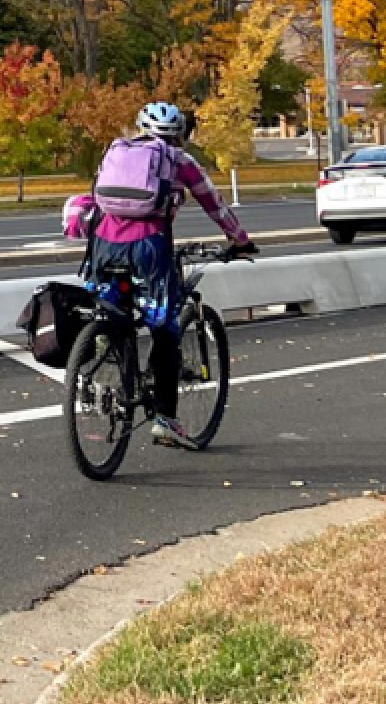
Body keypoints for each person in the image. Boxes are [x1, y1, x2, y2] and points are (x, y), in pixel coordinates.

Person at [62, 101, 255, 449]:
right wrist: (239, 240)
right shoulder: (179, 160)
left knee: (114, 310)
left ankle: (108, 349)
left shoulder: (117, 151)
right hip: (150, 249)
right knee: (164, 328)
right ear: (179, 132)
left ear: (140, 126)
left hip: (103, 246)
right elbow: (213, 202)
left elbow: (96, 195)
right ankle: (165, 419)